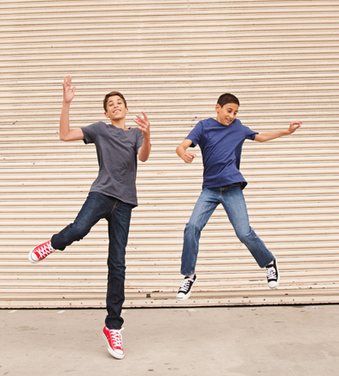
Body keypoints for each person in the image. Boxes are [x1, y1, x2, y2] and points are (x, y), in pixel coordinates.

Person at [29, 75, 151, 360]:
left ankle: (113, 327)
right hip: (102, 195)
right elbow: (64, 135)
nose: (116, 106)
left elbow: (143, 157)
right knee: (79, 228)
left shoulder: (134, 134)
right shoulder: (100, 130)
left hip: (125, 203)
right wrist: (65, 103)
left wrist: (147, 133)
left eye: (120, 102)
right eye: (111, 104)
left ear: (126, 108)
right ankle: (54, 243)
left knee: (117, 263)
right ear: (106, 113)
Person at [175, 93, 301, 300]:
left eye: (235, 112)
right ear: (217, 107)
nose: (232, 116)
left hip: (232, 188)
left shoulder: (238, 128)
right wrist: (183, 154)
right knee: (191, 227)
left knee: (244, 232)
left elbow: (260, 137)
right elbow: (181, 146)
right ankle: (188, 275)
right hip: (210, 190)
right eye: (229, 111)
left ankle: (269, 262)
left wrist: (286, 132)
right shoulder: (204, 127)